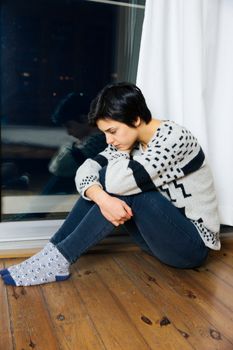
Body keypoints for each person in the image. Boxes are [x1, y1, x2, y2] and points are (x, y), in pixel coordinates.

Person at [0, 82, 221, 287]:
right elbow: (85, 170)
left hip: (191, 247)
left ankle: (59, 258)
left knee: (124, 186)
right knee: (107, 178)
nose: (108, 140)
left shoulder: (175, 139)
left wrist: (108, 182)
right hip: (156, 241)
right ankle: (52, 253)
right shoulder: (129, 139)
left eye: (112, 131)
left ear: (135, 119)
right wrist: (102, 198)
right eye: (105, 132)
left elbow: (118, 182)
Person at [42, 92, 107, 194]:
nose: (68, 132)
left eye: (69, 126)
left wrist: (74, 149)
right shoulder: (93, 138)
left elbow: (60, 166)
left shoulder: (100, 139)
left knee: (71, 165)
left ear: (84, 119)